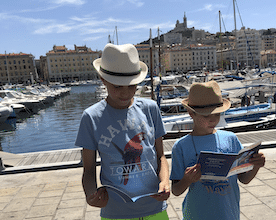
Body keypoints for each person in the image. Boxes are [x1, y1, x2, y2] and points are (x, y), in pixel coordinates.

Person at [75, 43, 170, 220]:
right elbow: (88, 169)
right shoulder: (91, 117)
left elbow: (161, 157)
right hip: (115, 212)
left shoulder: (150, 109)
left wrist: (165, 182)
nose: (125, 92)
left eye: (132, 85)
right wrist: (91, 195)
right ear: (103, 80)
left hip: (155, 208)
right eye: (117, 86)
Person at [170, 80, 265, 220]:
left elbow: (244, 179)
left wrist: (256, 166)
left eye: (217, 114)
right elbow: (176, 190)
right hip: (196, 215)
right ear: (191, 113)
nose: (212, 120)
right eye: (206, 116)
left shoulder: (231, 139)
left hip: (229, 214)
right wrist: (187, 179)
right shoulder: (181, 146)